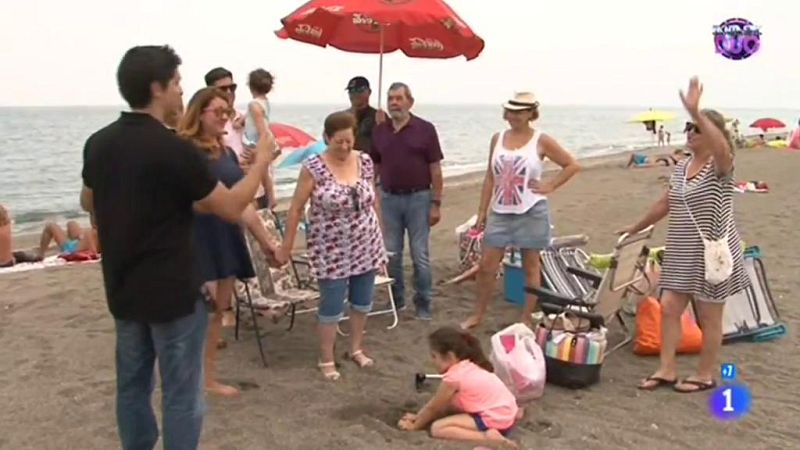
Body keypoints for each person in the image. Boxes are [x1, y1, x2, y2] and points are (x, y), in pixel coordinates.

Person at [80, 45, 275, 449]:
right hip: (173, 292)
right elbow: (231, 206)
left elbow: (89, 201)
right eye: (177, 84)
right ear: (157, 88)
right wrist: (261, 163)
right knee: (181, 394)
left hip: (122, 288)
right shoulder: (175, 150)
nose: (181, 94)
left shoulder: (99, 143)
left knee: (132, 388)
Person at [620, 77, 749, 393]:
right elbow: (666, 202)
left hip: (712, 252)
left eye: (697, 129)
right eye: (688, 128)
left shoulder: (720, 166)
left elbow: (722, 148)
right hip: (680, 249)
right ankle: (666, 369)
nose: (690, 133)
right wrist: (635, 228)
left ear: (713, 134)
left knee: (709, 315)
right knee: (669, 308)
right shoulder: (682, 167)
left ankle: (705, 375)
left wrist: (696, 110)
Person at [178, 87, 279, 397]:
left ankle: (207, 378)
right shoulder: (185, 152)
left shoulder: (227, 152)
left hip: (225, 236)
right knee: (195, 315)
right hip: (195, 238)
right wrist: (261, 163)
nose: (225, 117)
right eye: (217, 112)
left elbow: (243, 203)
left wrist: (265, 242)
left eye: (227, 111)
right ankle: (189, 378)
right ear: (199, 113)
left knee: (217, 313)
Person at [276, 111, 387, 381]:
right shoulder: (313, 166)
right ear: (327, 138)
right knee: (332, 304)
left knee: (362, 300)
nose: (345, 147)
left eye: (349, 141)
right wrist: (286, 246)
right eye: (339, 142)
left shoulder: (364, 161)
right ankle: (326, 356)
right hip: (331, 247)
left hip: (365, 241)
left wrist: (381, 239)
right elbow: (295, 209)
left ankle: (356, 348)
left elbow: (374, 201)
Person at [460, 92, 580, 330]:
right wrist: (482, 211)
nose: (514, 115)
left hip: (531, 210)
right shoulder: (497, 138)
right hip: (500, 212)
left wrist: (550, 186)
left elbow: (572, 164)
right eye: (511, 110)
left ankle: (525, 317)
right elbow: (489, 177)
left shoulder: (541, 140)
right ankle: (478, 315)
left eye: (520, 111)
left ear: (530, 114)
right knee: (486, 267)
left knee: (531, 267)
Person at [370, 82, 443, 320]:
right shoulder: (380, 130)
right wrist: (373, 195)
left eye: (399, 98)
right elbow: (375, 166)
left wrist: (436, 202)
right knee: (391, 254)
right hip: (389, 199)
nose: (394, 103)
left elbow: (435, 169)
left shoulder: (425, 129)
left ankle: (423, 303)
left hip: (419, 198)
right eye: (391, 99)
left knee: (419, 254)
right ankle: (397, 300)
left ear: (410, 102)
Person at [398, 327, 519, 449]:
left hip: (496, 418)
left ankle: (487, 438)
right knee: (449, 404)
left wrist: (415, 426)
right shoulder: (469, 365)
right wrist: (418, 416)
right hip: (506, 413)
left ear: (450, 356)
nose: (432, 361)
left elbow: (433, 407)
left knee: (438, 428)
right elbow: (438, 404)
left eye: (434, 356)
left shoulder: (453, 377)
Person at [243, 68, 277, 209]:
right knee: (264, 171)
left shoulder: (253, 105)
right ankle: (267, 195)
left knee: (262, 170)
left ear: (250, 86)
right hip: (256, 139)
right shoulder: (264, 102)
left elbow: (260, 126)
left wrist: (263, 146)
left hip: (254, 140)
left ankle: (270, 197)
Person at [204, 67, 246, 159]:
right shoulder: (210, 124)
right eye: (223, 89)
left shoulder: (248, 116)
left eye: (232, 87)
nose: (229, 92)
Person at [344, 76, 381, 152]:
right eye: (351, 91)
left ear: (369, 92)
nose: (355, 94)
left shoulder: (378, 116)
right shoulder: (342, 118)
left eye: (359, 90)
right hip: (346, 161)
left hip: (370, 161)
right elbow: (328, 139)